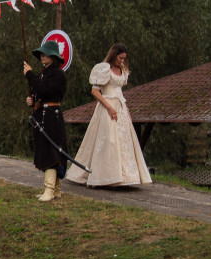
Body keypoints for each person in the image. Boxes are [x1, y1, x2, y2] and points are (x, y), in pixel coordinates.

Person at [65, 44, 152, 187]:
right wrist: (109, 107)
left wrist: (126, 111)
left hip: (121, 108)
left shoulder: (122, 70)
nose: (122, 61)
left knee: (123, 142)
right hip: (107, 107)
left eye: (124, 58)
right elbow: (95, 92)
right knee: (108, 141)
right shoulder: (104, 69)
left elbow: (120, 93)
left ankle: (123, 176)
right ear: (114, 55)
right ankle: (104, 176)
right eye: (120, 58)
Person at [24, 40, 69, 202]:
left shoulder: (58, 74)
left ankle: (51, 190)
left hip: (52, 116)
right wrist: (33, 100)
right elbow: (40, 92)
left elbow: (44, 89)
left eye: (46, 53)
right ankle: (54, 190)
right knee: (47, 149)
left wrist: (30, 75)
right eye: (41, 54)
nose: (42, 56)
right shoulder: (44, 73)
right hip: (43, 114)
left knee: (52, 150)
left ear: (53, 56)